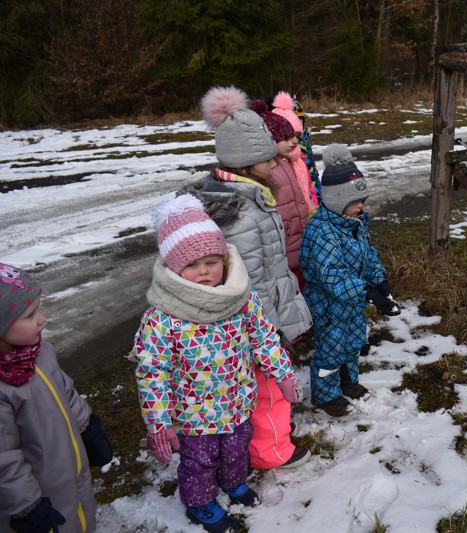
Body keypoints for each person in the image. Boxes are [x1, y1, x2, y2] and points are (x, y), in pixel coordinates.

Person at [133, 195, 303, 532]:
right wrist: (159, 420)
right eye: (192, 265)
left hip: (239, 401)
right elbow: (152, 372)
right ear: (173, 268)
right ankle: (199, 502)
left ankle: (233, 482)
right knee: (199, 460)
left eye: (212, 262)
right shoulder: (162, 318)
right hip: (193, 415)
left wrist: (281, 372)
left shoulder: (241, 299)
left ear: (224, 259)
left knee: (237, 448)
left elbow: (264, 338)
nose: (204, 272)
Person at [180, 85, 312, 473]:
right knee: (267, 390)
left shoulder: (249, 197)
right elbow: (247, 280)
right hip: (256, 322)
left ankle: (264, 439)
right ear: (247, 162)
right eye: (269, 158)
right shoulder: (240, 213)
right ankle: (271, 452)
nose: (277, 164)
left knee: (264, 389)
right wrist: (266, 331)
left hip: (264, 316)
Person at [0, 263, 113, 533]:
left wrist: (88, 427)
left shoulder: (40, 352)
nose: (43, 319)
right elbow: (4, 459)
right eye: (29, 315)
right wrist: (26, 506)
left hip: (69, 467)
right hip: (38, 493)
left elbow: (66, 391)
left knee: (81, 514)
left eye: (39, 309)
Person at [299, 144, 401, 417]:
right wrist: (368, 293)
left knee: (354, 341)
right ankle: (325, 394)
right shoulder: (321, 230)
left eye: (362, 201)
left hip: (352, 300)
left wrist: (381, 284)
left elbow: (367, 255)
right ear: (335, 200)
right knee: (331, 349)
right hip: (329, 304)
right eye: (354, 202)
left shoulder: (354, 223)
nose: (360, 206)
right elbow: (332, 275)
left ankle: (348, 380)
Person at [249, 95, 316, 292]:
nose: (294, 142)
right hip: (284, 243)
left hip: (299, 236)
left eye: (296, 136)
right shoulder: (268, 169)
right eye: (287, 138)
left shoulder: (289, 161)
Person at [290, 96, 321, 200]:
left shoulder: (305, 138)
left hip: (312, 185)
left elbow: (311, 163)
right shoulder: (289, 145)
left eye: (301, 119)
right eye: (295, 120)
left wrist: (317, 185)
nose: (299, 123)